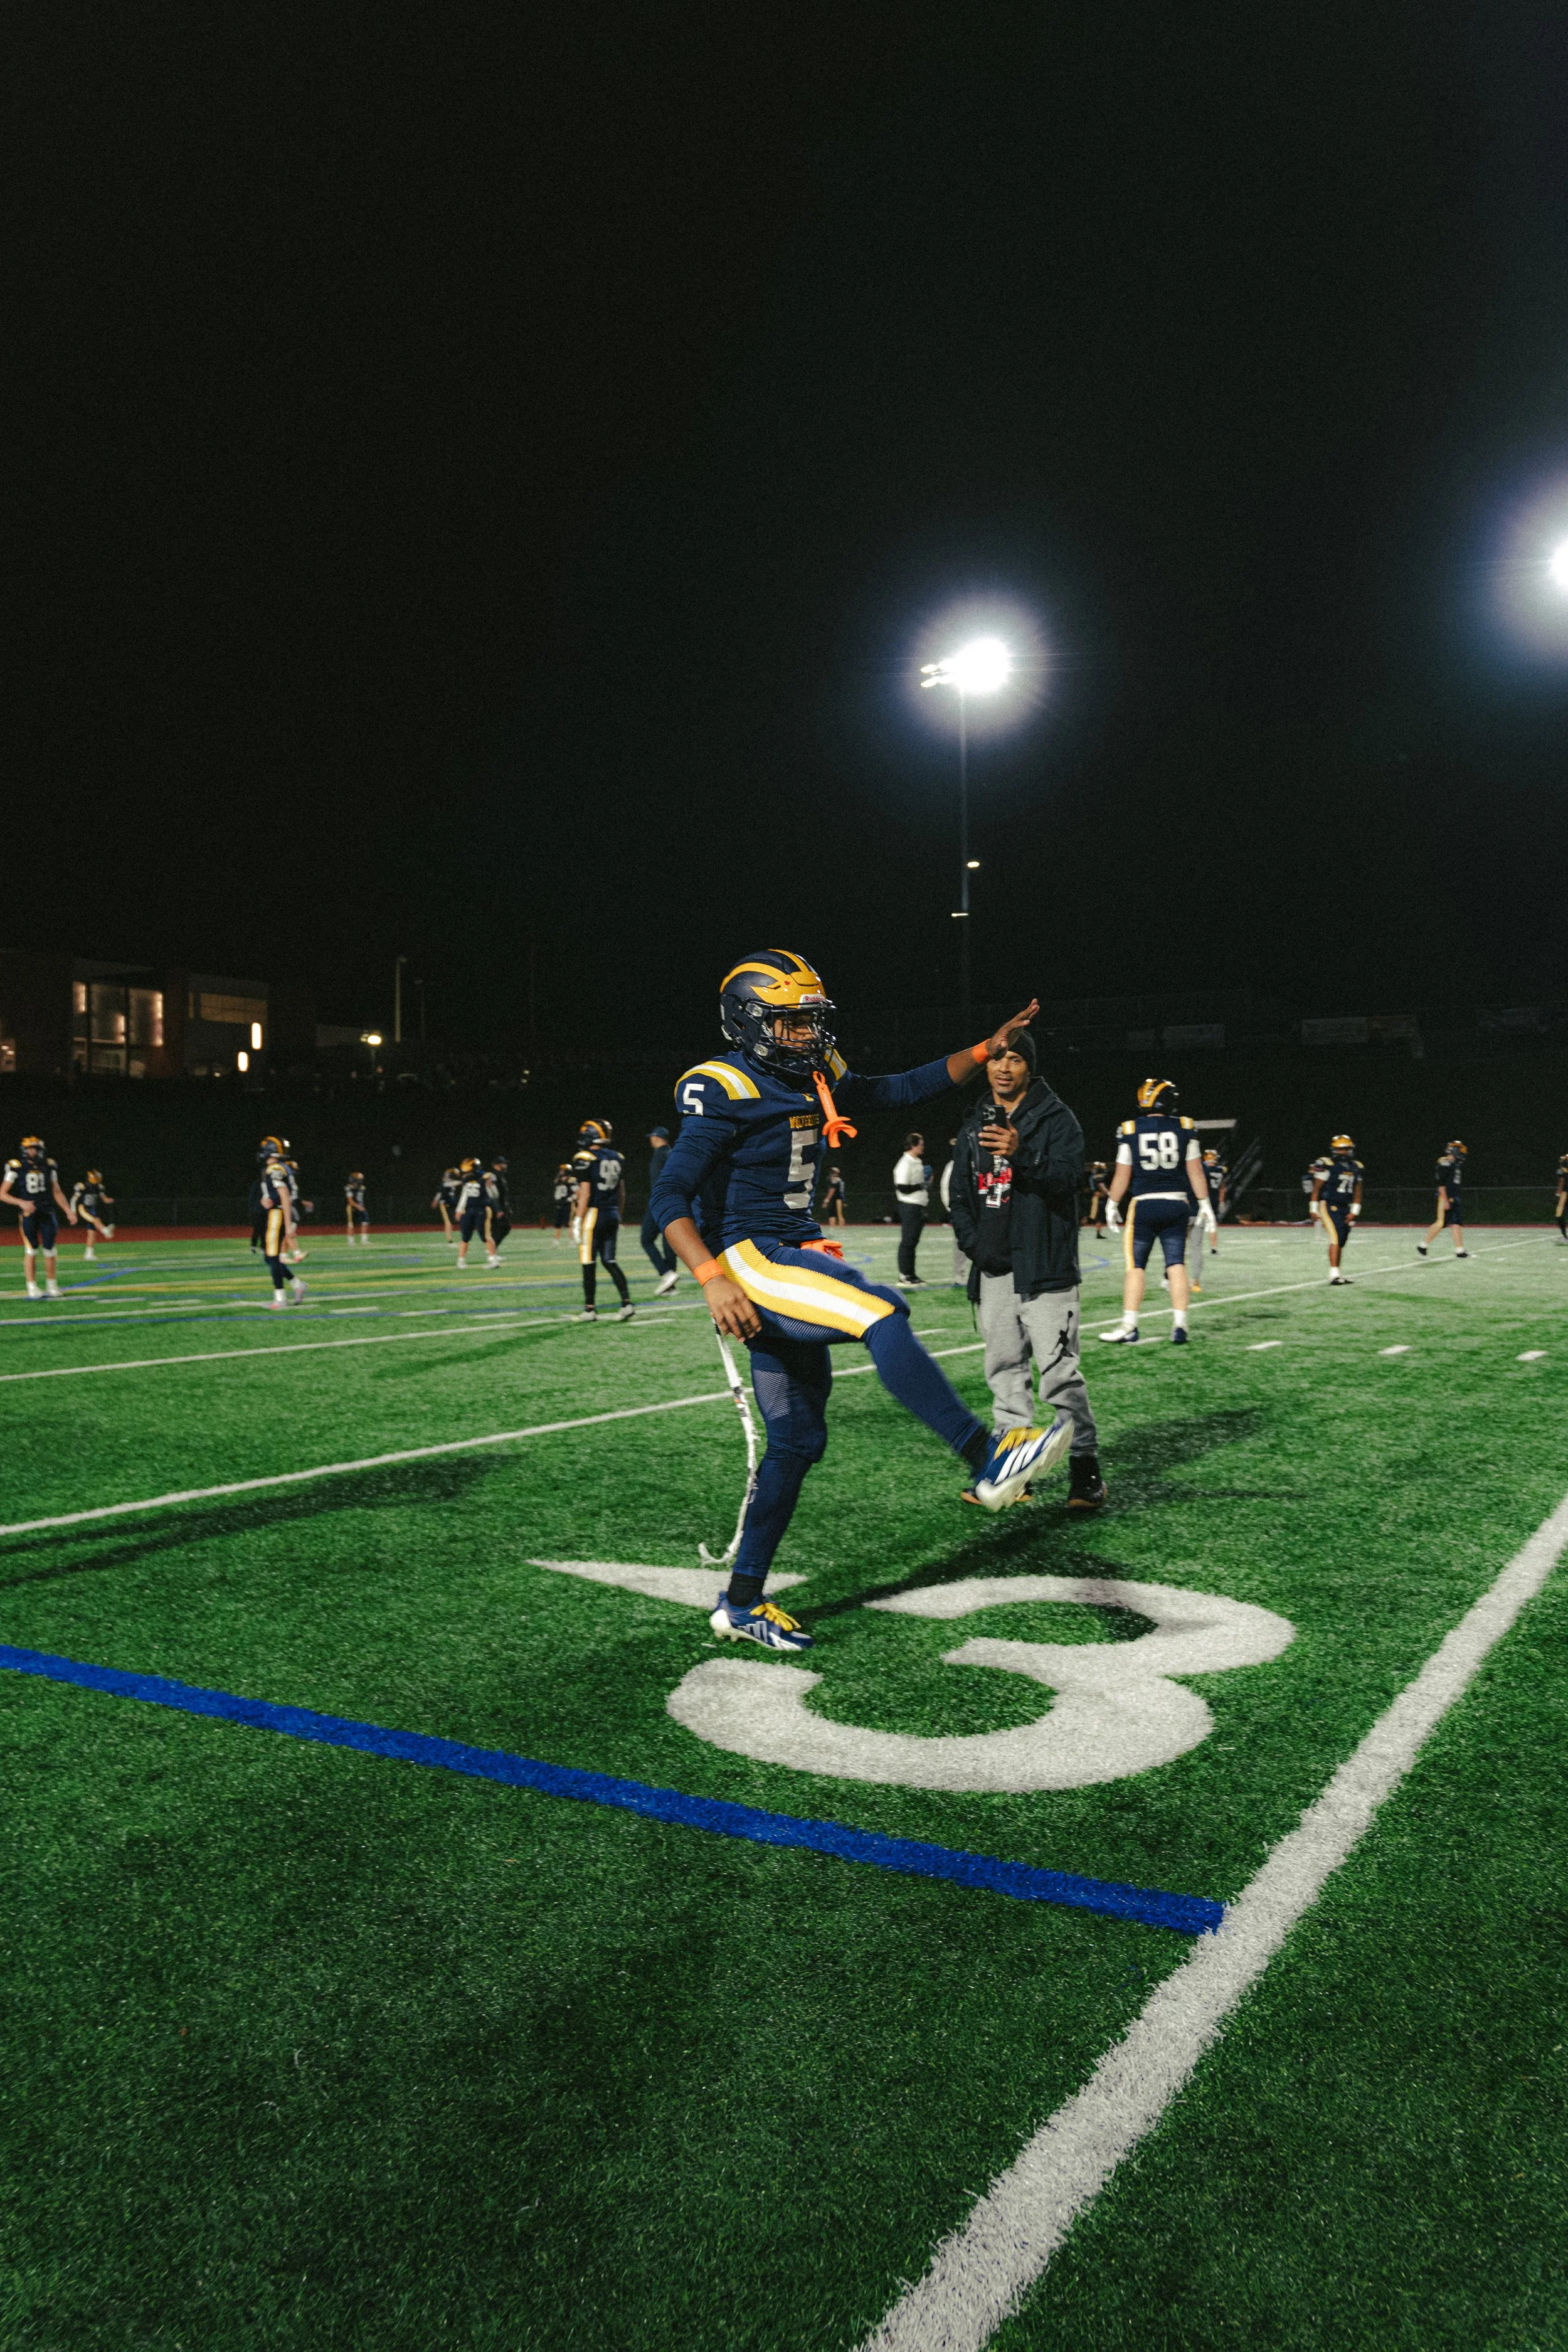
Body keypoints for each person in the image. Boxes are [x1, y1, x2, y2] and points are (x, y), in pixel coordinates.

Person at [650, 950, 1066, 1655]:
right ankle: (984, 1458)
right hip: (754, 1255)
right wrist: (713, 1279)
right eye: (790, 1022)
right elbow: (668, 1197)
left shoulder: (812, 1074)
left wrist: (982, 1049)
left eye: (811, 1019)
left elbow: (899, 1089)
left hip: (794, 1249)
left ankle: (740, 1603)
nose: (808, 1033)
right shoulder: (721, 1086)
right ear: (748, 1024)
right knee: (881, 1311)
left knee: (797, 1442)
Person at [948, 1032, 1106, 1512]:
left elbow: (1067, 1179)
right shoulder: (975, 1122)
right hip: (995, 1271)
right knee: (1004, 1375)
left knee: (1060, 1377)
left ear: (1029, 1069)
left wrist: (1021, 1152)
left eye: (1014, 1059)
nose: (1003, 1068)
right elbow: (959, 1195)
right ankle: (1014, 1474)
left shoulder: (1057, 1119)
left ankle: (1087, 1472)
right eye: (997, 1058)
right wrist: (977, 1247)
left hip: (1046, 1270)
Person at [1099, 1079, 1215, 1345]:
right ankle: (1180, 1323)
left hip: (1144, 1205)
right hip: (1177, 1204)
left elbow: (1123, 1173)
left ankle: (1129, 1325)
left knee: (1135, 1267)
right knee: (1176, 1265)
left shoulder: (1130, 1129)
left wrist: (1112, 1203)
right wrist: (1205, 1203)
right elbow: (1195, 1170)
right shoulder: (1185, 1126)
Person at [571, 1119, 633, 1321]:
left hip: (594, 1215)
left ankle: (589, 1309)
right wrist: (619, 1213)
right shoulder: (617, 1157)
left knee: (588, 1262)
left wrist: (578, 1220)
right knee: (610, 1260)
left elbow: (586, 1194)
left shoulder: (585, 1157)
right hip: (613, 1212)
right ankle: (626, 1304)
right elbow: (622, 1192)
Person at [0, 1136, 75, 1299]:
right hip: (29, 1214)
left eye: (35, 1148)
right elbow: (2, 1194)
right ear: (24, 1150)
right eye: (29, 1148)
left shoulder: (48, 1165)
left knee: (50, 1249)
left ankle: (52, 1285)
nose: (32, 1151)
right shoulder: (17, 1167)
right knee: (31, 1249)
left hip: (47, 1212)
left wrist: (68, 1210)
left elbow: (57, 1191)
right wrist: (21, 1202)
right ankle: (32, 1287)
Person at [1310, 1133, 1364, 1283]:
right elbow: (1316, 1190)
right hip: (1328, 1206)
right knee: (1335, 1238)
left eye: (1346, 1149)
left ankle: (1337, 1274)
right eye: (1340, 1150)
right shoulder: (1327, 1164)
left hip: (1345, 1207)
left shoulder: (1356, 1167)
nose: (1343, 1153)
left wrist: (1354, 1212)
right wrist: (1313, 1209)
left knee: (1341, 1240)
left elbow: (1358, 1192)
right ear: (1334, 1151)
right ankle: (1334, 1275)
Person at [258, 1151, 306, 1310]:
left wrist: (287, 1227)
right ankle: (297, 1284)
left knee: (273, 1258)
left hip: (278, 1215)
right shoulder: (277, 1168)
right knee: (269, 1258)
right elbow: (278, 1196)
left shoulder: (275, 1168)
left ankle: (280, 1298)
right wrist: (266, 1200)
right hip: (276, 1213)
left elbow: (285, 1197)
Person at [640, 1127, 681, 1292]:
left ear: (656, 1138)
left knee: (646, 1239)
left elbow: (658, 1183)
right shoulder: (673, 1154)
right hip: (674, 1201)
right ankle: (670, 1286)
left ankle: (666, 1273)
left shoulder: (659, 1156)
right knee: (668, 1241)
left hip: (659, 1201)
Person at [1419, 1140, 1468, 1259]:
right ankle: (1423, 1245)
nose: (1462, 1154)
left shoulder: (1454, 1164)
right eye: (1460, 1152)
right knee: (1440, 1223)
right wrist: (1445, 1200)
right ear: (1455, 1152)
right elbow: (1441, 1185)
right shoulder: (1445, 1163)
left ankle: (1459, 1250)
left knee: (1456, 1223)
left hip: (1454, 1196)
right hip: (1445, 1197)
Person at [893, 1130, 930, 1288]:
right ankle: (905, 1275)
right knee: (908, 1241)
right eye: (921, 1144)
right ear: (913, 1145)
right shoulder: (905, 1163)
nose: (923, 1147)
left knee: (913, 1241)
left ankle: (911, 1274)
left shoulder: (916, 1161)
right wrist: (921, 1186)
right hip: (910, 1206)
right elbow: (902, 1188)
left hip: (918, 1205)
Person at [70, 1170, 116, 1260]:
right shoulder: (83, 1186)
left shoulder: (99, 1187)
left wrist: (110, 1200)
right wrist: (73, 1211)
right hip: (83, 1208)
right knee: (96, 1221)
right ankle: (105, 1231)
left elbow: (104, 1199)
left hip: (92, 1210)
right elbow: (73, 1200)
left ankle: (89, 1254)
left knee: (92, 1233)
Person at [453, 1158, 489, 1268]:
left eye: (468, 1171)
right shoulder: (467, 1181)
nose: (466, 1174)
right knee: (465, 1237)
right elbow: (464, 1195)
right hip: (469, 1211)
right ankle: (461, 1260)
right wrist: (459, 1210)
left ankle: (492, 1257)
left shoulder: (485, 1178)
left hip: (480, 1210)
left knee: (485, 1236)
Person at [487, 1158, 512, 1261]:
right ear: (497, 1165)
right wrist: (497, 1209)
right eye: (503, 1164)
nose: (505, 1166)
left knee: (500, 1229)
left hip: (501, 1207)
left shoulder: (500, 1176)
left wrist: (507, 1208)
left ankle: (493, 1252)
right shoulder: (493, 1176)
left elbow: (503, 1194)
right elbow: (492, 1194)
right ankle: (492, 1252)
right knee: (503, 1228)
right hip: (495, 1207)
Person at [433, 1165, 461, 1242]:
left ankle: (451, 1238)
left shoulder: (450, 1182)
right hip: (444, 1204)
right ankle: (449, 1239)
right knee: (448, 1222)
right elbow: (450, 1185)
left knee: (453, 1220)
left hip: (452, 1203)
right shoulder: (446, 1183)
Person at [550, 1160, 573, 1242]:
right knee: (557, 1224)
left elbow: (578, 1193)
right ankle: (556, 1241)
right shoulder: (558, 1180)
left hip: (567, 1204)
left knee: (569, 1224)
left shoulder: (572, 1181)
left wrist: (571, 1198)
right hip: (559, 1204)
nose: (561, 1171)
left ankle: (572, 1240)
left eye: (563, 1170)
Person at [344, 1172, 369, 1245]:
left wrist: (362, 1207)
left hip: (361, 1206)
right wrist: (358, 1207)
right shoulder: (349, 1188)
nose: (361, 1181)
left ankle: (364, 1240)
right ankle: (351, 1241)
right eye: (359, 1179)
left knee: (365, 1222)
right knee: (351, 1224)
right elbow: (350, 1201)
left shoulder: (362, 1187)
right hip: (352, 1207)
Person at [820, 1162, 847, 1226]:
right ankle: (841, 1230)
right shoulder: (840, 1180)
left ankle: (833, 1230)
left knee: (834, 1214)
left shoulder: (836, 1180)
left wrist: (826, 1200)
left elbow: (832, 1190)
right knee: (839, 1214)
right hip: (840, 1199)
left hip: (837, 1199)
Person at [1555, 1150, 1568, 1243]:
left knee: (1559, 1214)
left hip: (1566, 1192)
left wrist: (1559, 1192)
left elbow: (1562, 1179)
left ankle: (1565, 1237)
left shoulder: (1564, 1160)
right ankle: (1565, 1237)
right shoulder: (1565, 1158)